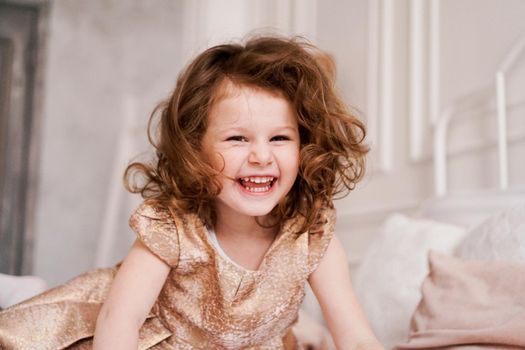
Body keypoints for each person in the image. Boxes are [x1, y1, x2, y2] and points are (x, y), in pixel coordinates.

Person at [0, 36, 383, 350]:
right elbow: (121, 319)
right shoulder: (175, 227)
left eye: (280, 138)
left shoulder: (311, 236)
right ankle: (21, 292)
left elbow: (354, 335)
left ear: (305, 147)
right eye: (237, 138)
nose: (261, 156)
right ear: (195, 149)